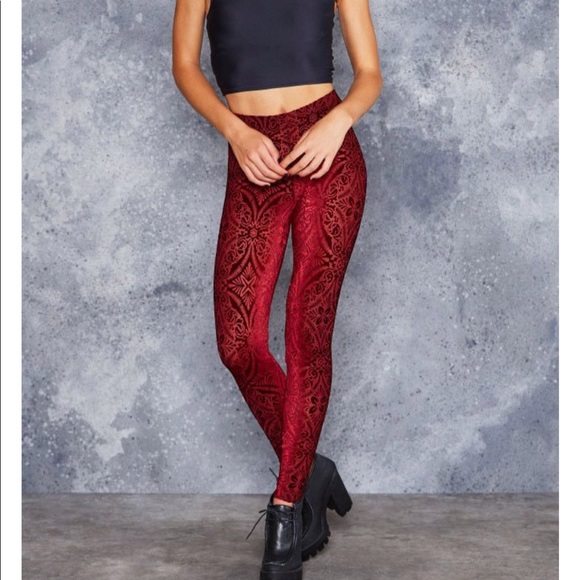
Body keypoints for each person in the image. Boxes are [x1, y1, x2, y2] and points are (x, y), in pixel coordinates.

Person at [172, 0, 382, 577]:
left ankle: (288, 509)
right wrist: (236, 132)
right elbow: (185, 66)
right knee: (238, 343)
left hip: (328, 157)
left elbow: (369, 74)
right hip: (253, 159)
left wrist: (338, 121)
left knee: (306, 335)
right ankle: (312, 469)